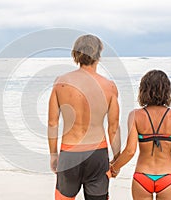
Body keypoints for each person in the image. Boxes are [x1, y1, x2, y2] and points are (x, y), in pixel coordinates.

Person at [47, 34, 121, 200]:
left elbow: (53, 123)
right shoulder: (109, 87)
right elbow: (113, 127)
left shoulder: (61, 83)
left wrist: (53, 155)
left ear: (76, 54)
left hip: (69, 153)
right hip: (97, 154)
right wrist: (117, 159)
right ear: (98, 55)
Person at [110, 70, 171, 200]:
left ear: (143, 90)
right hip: (168, 177)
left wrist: (114, 168)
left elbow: (130, 151)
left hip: (142, 177)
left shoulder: (135, 116)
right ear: (167, 91)